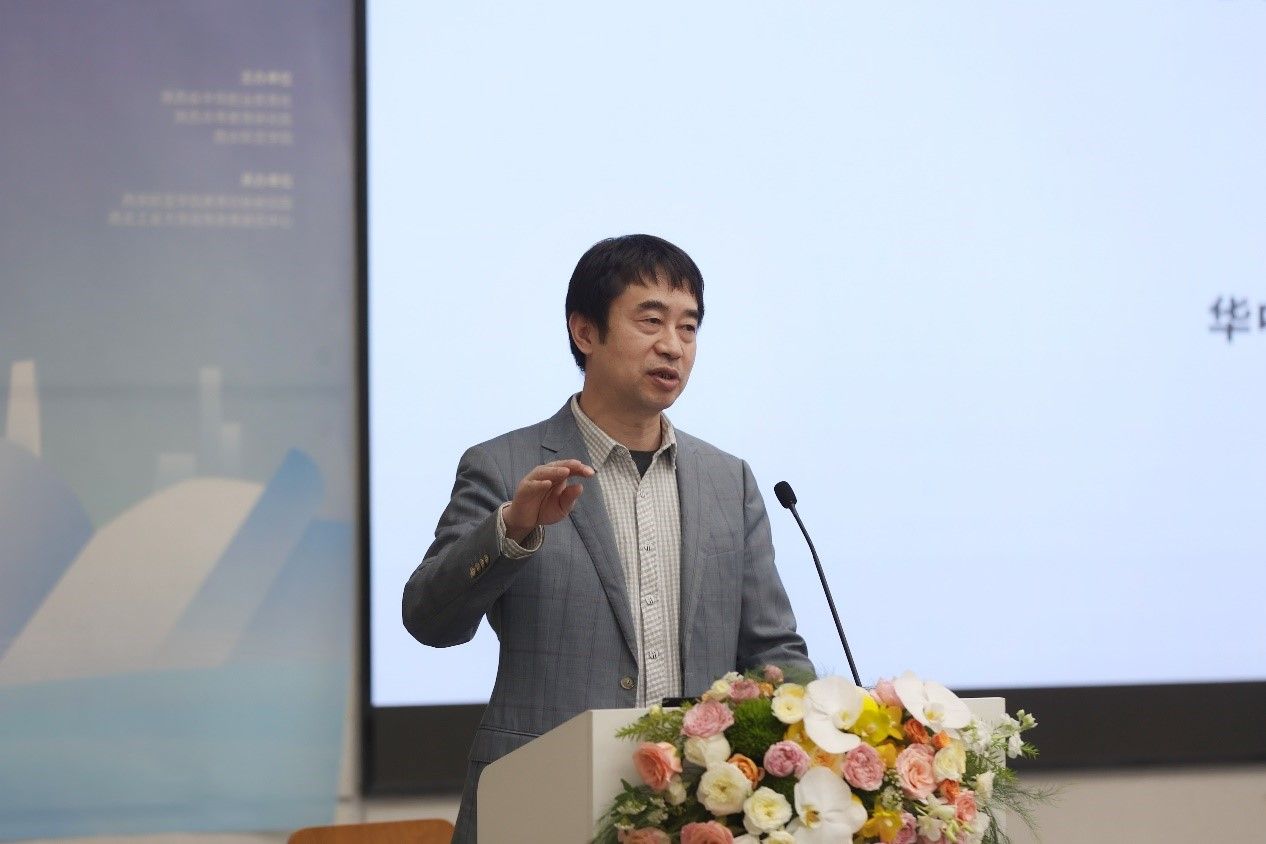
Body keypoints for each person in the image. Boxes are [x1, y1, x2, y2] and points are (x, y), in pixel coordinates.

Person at [403, 234, 810, 843]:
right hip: (543, 803)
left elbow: (772, 647)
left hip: (696, 811)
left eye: (689, 327)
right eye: (651, 320)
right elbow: (429, 620)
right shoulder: (502, 466)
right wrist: (511, 531)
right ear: (585, 331)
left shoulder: (730, 481)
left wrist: (827, 733)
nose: (672, 345)